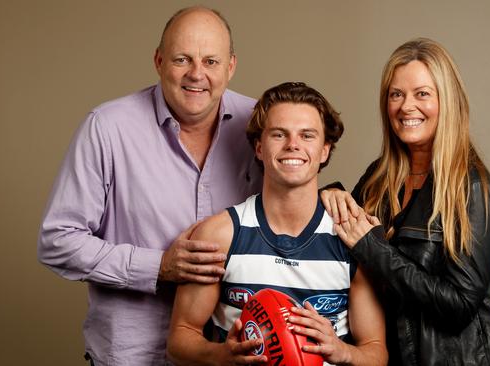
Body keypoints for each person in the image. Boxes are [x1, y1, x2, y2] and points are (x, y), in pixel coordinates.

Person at [37, 6, 262, 365]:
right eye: (181, 59)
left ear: (231, 66)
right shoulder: (108, 128)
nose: (196, 74)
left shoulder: (260, 125)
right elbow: (57, 240)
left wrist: (330, 198)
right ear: (159, 61)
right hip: (134, 355)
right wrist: (156, 267)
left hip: (231, 353)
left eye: (211, 61)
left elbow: (292, 209)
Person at [167, 82, 388, 365]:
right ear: (259, 147)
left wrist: (341, 351)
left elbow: (376, 352)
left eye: (307, 135)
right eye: (279, 134)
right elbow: (179, 339)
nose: (293, 144)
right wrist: (223, 354)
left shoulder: (351, 238)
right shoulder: (220, 235)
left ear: (324, 150)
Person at [321, 38, 490, 365]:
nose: (406, 106)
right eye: (397, 94)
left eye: (422, 94)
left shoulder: (473, 189)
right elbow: (342, 237)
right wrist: (331, 192)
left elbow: (460, 306)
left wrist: (375, 250)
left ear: (447, 101)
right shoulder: (380, 176)